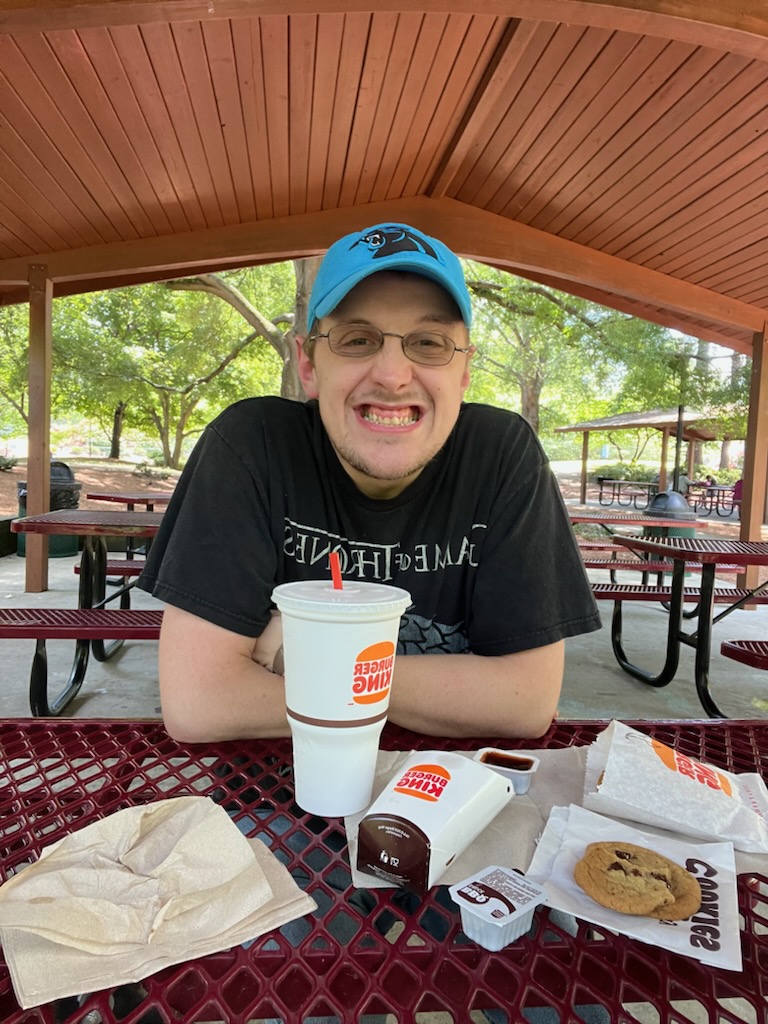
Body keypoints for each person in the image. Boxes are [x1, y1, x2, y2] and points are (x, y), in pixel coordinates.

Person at [138, 222, 601, 742]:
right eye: (357, 339)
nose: (392, 375)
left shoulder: (501, 455)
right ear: (309, 364)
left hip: (449, 791)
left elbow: (525, 702)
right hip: (274, 796)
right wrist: (453, 690)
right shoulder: (251, 445)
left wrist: (313, 656)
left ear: (465, 372)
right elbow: (202, 704)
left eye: (429, 343)